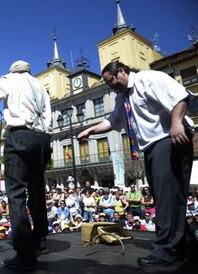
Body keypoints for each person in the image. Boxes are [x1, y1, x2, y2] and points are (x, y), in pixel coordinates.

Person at [77, 61, 194, 267]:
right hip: (152, 147)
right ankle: (186, 244)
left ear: (121, 71)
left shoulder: (148, 79)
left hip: (169, 139)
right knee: (168, 197)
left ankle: (167, 251)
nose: (111, 86)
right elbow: (113, 122)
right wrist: (90, 130)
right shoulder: (123, 98)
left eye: (111, 81)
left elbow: (181, 96)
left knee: (167, 198)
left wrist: (176, 123)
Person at [0, 60, 52, 270]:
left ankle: (25, 252)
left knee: (16, 193)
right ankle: (40, 239)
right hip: (43, 139)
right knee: (37, 190)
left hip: (20, 135)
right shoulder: (40, 86)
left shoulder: (10, 79)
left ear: (12, 71)